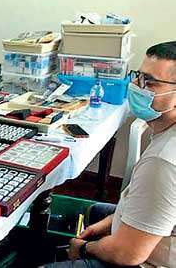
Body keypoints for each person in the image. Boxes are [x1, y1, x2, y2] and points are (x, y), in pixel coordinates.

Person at [47, 42, 176, 267]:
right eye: (138, 76)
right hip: (152, 235)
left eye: (149, 82)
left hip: (142, 259)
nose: (136, 86)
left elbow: (126, 255)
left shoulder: (164, 160)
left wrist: (84, 247)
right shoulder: (166, 135)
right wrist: (112, 223)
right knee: (96, 212)